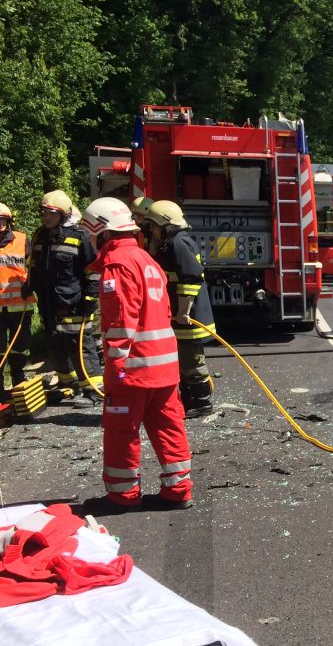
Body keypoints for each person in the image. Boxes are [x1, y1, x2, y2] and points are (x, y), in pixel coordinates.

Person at [79, 197, 193, 512]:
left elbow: (121, 320)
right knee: (169, 426)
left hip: (133, 368)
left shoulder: (117, 264)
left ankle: (123, 496)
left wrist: (115, 368)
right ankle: (178, 490)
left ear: (103, 232)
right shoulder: (146, 259)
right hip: (164, 366)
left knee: (121, 432)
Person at [27, 190, 103, 408]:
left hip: (74, 305)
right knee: (55, 347)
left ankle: (94, 391)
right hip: (48, 305)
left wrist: (90, 297)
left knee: (80, 349)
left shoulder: (79, 237)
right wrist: (29, 284)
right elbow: (34, 264)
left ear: (63, 214)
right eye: (44, 212)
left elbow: (94, 271)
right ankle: (68, 385)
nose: (46, 217)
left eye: (51, 213)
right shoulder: (40, 235)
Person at [144, 200, 216, 418]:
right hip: (180, 313)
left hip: (188, 315)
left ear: (166, 225)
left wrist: (183, 311)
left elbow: (191, 279)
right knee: (183, 361)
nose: (151, 230)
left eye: (154, 226)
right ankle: (188, 400)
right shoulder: (172, 242)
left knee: (191, 360)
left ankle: (201, 402)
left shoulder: (178, 244)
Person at [0, 203, 36, 394]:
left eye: (2, 220)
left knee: (20, 347)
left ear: (8, 221)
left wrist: (31, 283)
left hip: (20, 306)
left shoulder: (22, 240)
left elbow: (35, 267)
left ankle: (18, 380)